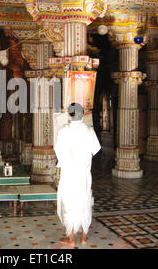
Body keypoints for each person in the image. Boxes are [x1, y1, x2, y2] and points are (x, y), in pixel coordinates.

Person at [54, 102, 101, 247]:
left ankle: (71, 238)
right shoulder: (89, 131)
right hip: (83, 175)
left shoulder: (63, 131)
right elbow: (96, 149)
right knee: (84, 201)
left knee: (69, 203)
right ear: (83, 115)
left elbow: (58, 151)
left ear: (69, 115)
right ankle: (84, 236)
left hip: (68, 175)